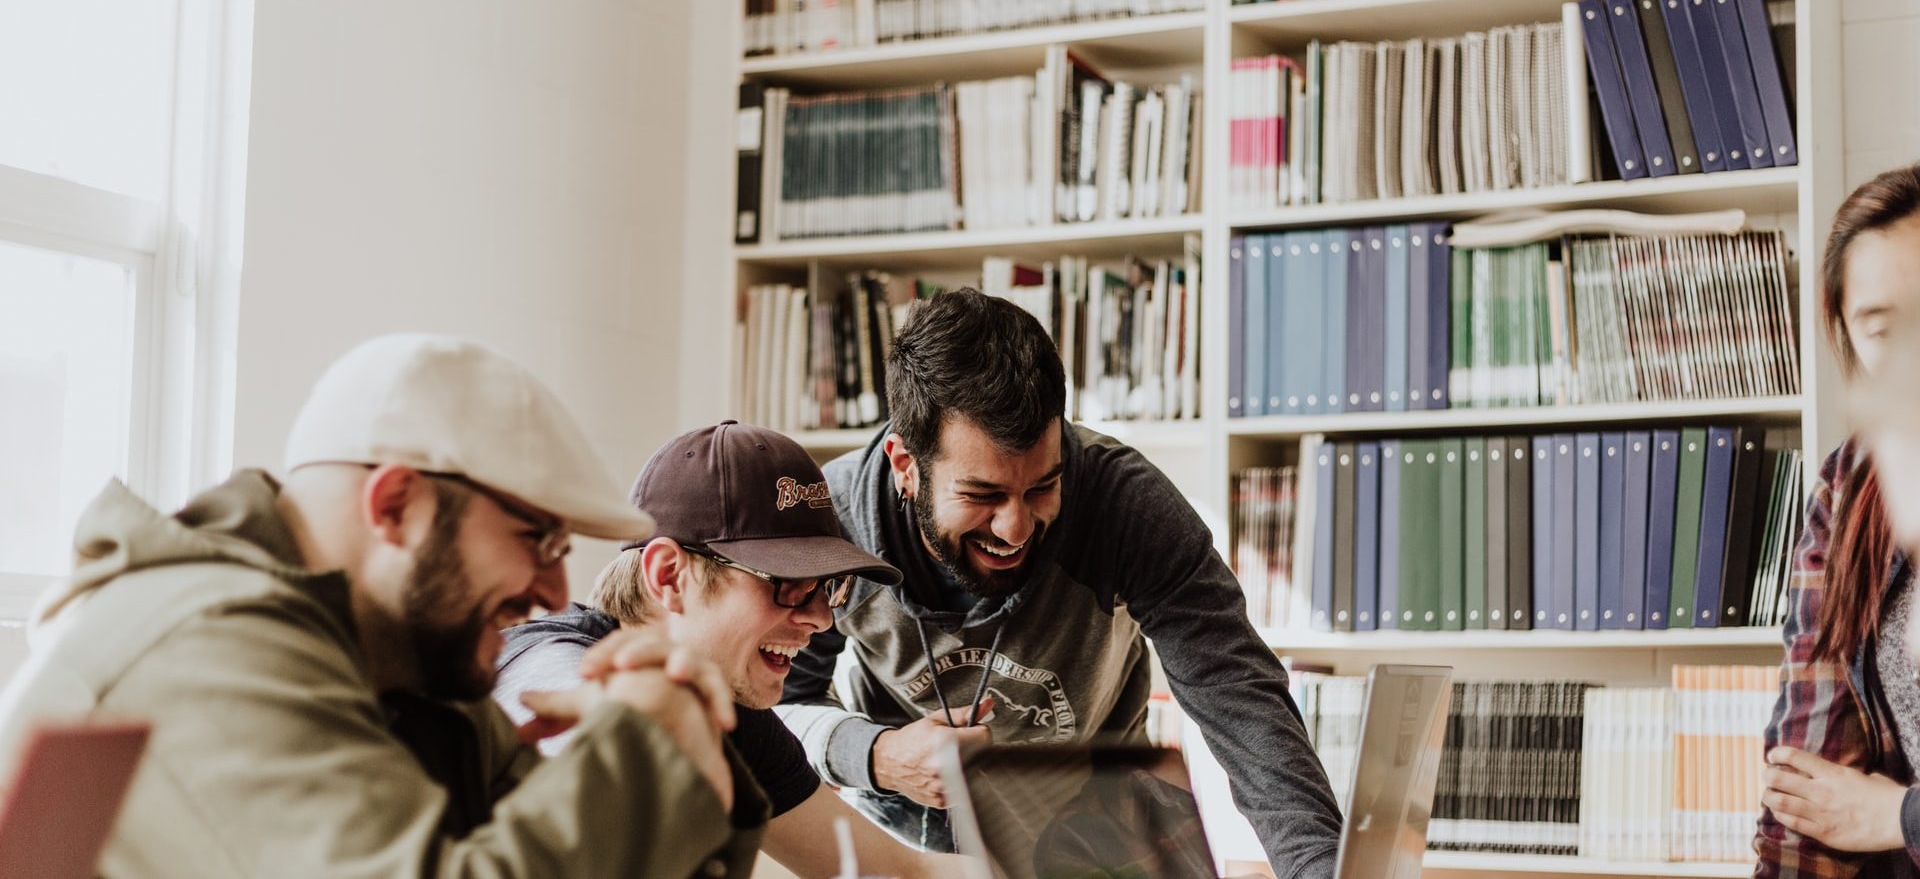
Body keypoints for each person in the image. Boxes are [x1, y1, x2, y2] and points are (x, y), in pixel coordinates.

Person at [0, 335, 767, 878]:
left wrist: (686, 736)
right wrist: (642, 743)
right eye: (537, 539)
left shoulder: (401, 661)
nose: (555, 595)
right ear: (396, 503)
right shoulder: (206, 647)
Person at [775, 288, 1344, 876]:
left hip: (1102, 824)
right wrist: (875, 755)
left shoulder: (1125, 504)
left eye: (1042, 486)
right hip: (908, 841)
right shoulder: (830, 524)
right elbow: (777, 703)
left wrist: (1318, 865)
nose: (1016, 527)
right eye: (982, 494)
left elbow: (1238, 692)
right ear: (904, 465)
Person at [493, 421, 968, 878]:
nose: (823, 618)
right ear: (669, 577)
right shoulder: (543, 659)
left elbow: (903, 872)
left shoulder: (732, 711)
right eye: (788, 583)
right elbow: (580, 720)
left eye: (829, 587)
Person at [1755, 163, 1920, 875]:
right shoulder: (1853, 485)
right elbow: (1808, 785)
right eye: (1885, 329)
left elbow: (1867, 812)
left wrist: (1898, 816)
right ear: (1848, 338)